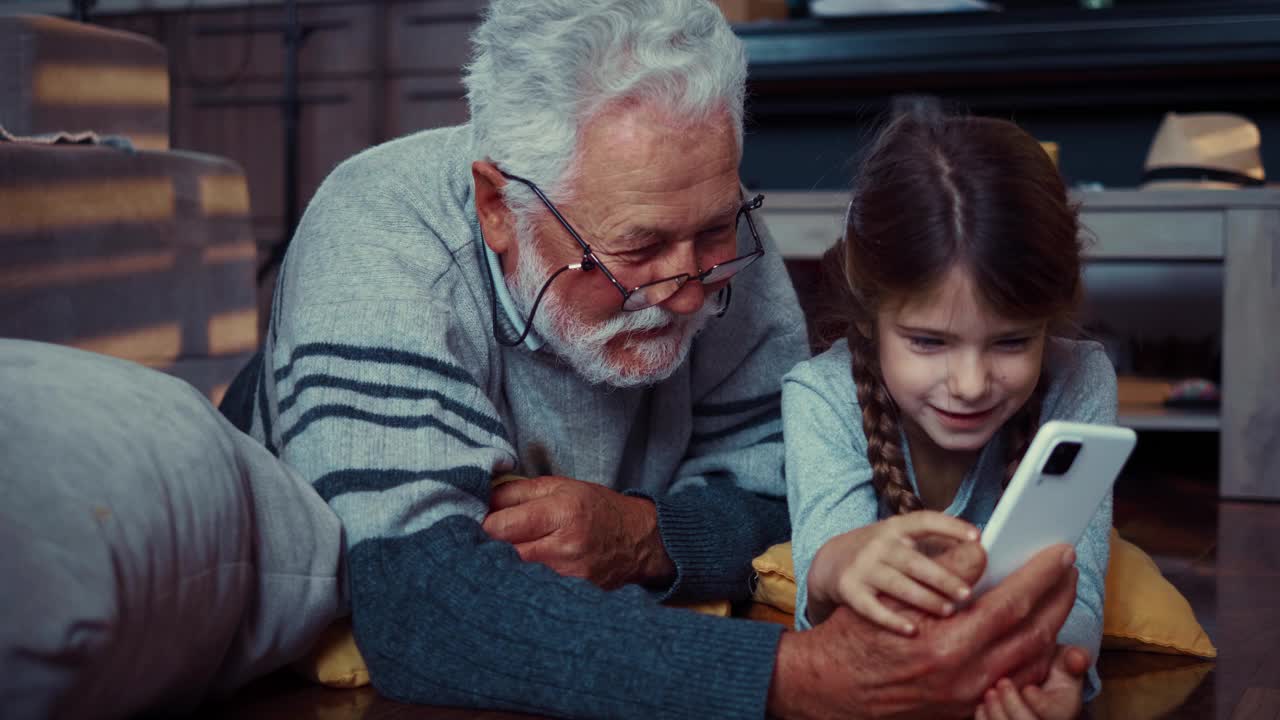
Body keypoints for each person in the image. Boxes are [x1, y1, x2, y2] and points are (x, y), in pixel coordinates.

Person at [3, 3, 1079, 718]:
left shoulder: (717, 238)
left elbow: (792, 472)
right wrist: (797, 678)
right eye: (635, 250)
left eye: (712, 233)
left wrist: (653, 537)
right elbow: (420, 602)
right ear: (495, 205)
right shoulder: (381, 235)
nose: (689, 282)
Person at [783, 112, 1117, 719]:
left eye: (1012, 342)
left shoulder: (1081, 378)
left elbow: (1079, 590)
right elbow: (818, 584)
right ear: (867, 314)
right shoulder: (820, 393)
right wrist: (844, 563)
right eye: (929, 342)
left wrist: (1054, 671)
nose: (969, 385)